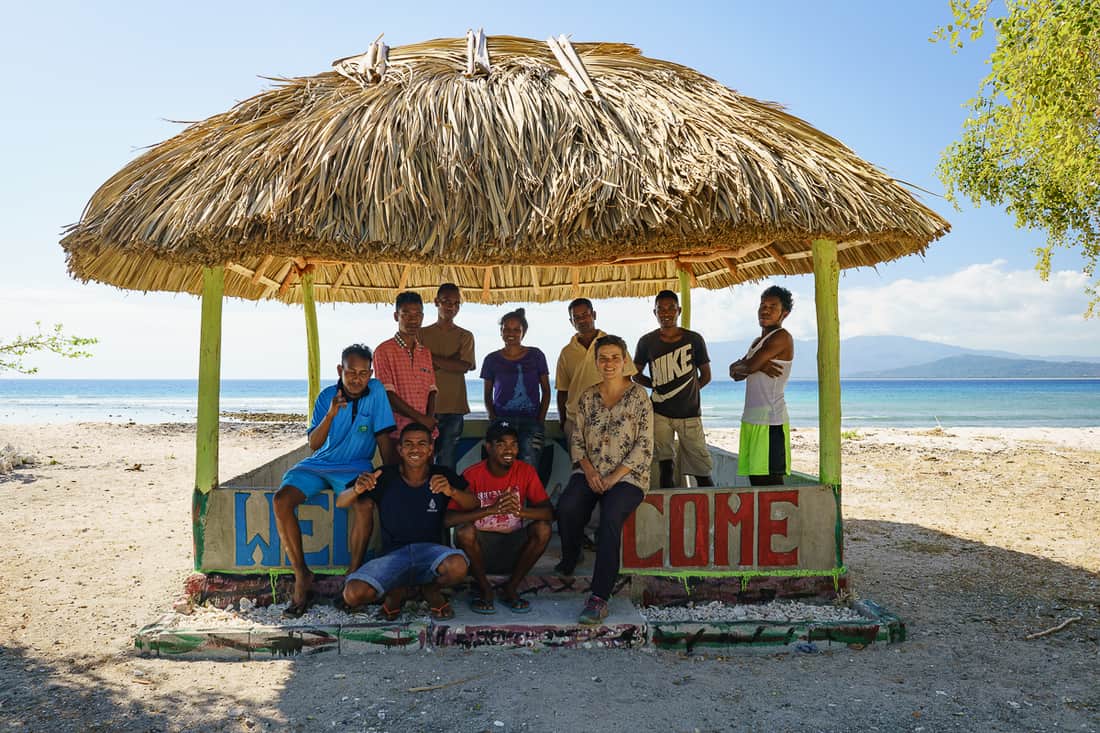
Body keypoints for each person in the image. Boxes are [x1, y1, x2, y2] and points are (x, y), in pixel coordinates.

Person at [273, 344, 397, 618]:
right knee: (281, 500)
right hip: (320, 465)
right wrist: (330, 414)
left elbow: (383, 438)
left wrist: (395, 477)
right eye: (351, 371)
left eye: (363, 373)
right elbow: (315, 445)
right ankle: (302, 574)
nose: (357, 378)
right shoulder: (326, 396)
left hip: (354, 467)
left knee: (364, 506)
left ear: (371, 373)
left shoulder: (375, 391)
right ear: (340, 370)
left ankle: (353, 573)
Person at [338, 423, 480, 620]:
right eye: (409, 444)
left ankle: (429, 590)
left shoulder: (442, 474)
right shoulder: (385, 475)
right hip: (392, 556)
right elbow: (340, 501)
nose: (415, 449)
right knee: (353, 594)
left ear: (431, 449)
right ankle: (397, 591)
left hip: (431, 552)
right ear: (400, 449)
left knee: (458, 566)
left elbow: (473, 503)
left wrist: (452, 491)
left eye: (422, 444)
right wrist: (357, 489)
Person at [555, 335, 652, 624]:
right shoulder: (587, 397)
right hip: (590, 471)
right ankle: (572, 555)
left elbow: (644, 445)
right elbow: (577, 440)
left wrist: (613, 478)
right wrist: (589, 471)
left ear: (625, 362)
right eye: (603, 358)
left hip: (627, 477)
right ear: (596, 363)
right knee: (568, 507)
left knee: (611, 517)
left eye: (614, 358)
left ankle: (599, 597)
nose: (609, 363)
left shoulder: (639, 398)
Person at [447, 420, 553, 614]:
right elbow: (448, 519)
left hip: (513, 547)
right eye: (501, 444)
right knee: (464, 532)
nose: (509, 450)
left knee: (543, 529)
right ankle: (485, 589)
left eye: (513, 444)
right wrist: (489, 510)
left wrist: (519, 511)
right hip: (480, 550)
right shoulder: (472, 474)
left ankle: (511, 587)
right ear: (488, 447)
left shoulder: (526, 471)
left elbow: (548, 513)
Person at [633, 290, 714, 488]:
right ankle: (669, 515)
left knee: (702, 470)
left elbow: (706, 376)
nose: (666, 313)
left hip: (690, 415)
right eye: (661, 309)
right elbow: (635, 373)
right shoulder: (647, 341)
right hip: (659, 414)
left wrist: (688, 392)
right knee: (665, 467)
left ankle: (713, 512)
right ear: (655, 312)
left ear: (679, 310)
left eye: (671, 308)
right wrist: (655, 386)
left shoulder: (694, 339)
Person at [728, 286, 794, 486]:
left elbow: (747, 366)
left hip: (771, 421)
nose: (765, 310)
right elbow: (734, 372)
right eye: (762, 305)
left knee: (772, 482)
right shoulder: (758, 341)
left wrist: (753, 366)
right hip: (752, 420)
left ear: (784, 313)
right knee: (756, 480)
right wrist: (757, 365)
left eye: (772, 306)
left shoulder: (782, 337)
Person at [555, 298, 637, 445]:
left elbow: (627, 382)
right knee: (579, 467)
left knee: (610, 465)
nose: (582, 320)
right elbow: (562, 390)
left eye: (585, 314)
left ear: (594, 315)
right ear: (571, 321)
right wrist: (563, 422)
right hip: (576, 421)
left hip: (611, 419)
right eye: (576, 317)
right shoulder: (566, 352)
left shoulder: (614, 345)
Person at [480, 308, 551, 467]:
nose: (511, 333)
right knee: (501, 463)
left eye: (516, 330)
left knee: (528, 459)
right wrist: (493, 418)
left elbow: (546, 390)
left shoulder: (536, 355)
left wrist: (540, 420)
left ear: (523, 332)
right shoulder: (491, 359)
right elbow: (487, 394)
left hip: (531, 420)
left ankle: (528, 493)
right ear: (501, 331)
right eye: (506, 329)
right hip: (502, 420)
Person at [419, 283, 476, 471]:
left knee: (447, 463)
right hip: (425, 407)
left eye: (456, 303)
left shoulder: (466, 336)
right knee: (423, 460)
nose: (451, 307)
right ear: (436, 302)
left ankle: (444, 501)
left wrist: (431, 358)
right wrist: (451, 361)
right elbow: (418, 366)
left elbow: (464, 366)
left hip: (454, 407)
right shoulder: (421, 333)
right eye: (446, 302)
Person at [374, 291, 438, 439]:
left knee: (428, 463)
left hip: (426, 432)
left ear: (422, 317)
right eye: (406, 314)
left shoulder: (425, 352)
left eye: (417, 315)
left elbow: (432, 390)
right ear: (396, 316)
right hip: (397, 432)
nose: (413, 320)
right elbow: (387, 395)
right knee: (397, 463)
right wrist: (421, 419)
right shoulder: (383, 351)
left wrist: (429, 419)